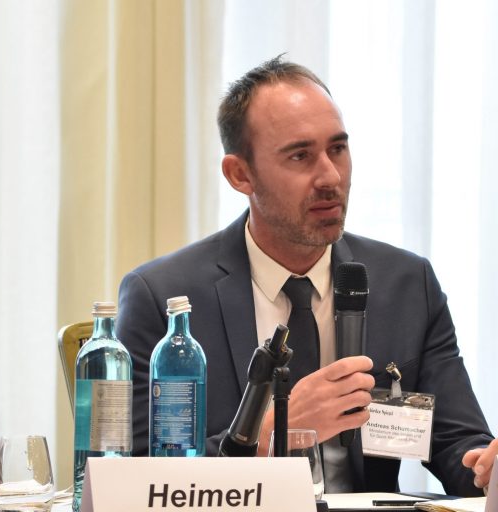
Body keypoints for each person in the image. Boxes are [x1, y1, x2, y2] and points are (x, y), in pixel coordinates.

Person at [117, 56, 498, 496]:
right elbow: (131, 481)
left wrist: (485, 469)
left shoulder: (407, 283)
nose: (330, 176)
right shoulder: (164, 297)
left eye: (337, 148)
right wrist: (265, 436)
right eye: (300, 156)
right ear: (240, 174)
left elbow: (459, 445)